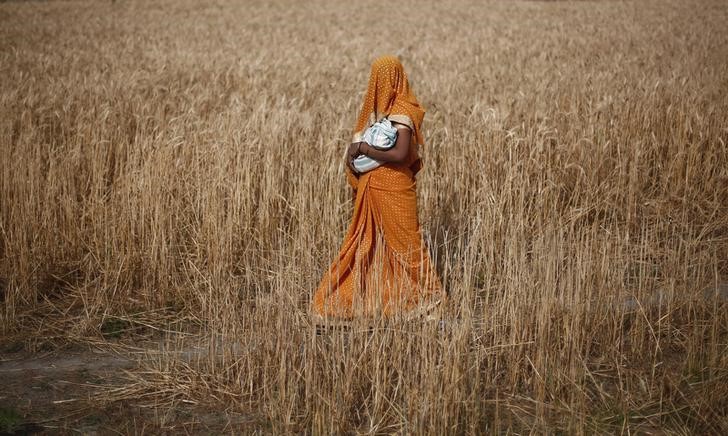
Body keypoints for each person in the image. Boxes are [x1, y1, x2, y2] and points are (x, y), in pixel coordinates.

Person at [311, 55, 444, 320]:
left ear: (393, 79)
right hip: (374, 187)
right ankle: (381, 296)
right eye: (375, 79)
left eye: (381, 79)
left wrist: (363, 148)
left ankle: (431, 298)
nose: (377, 85)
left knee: (408, 244)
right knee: (366, 242)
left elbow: (399, 154)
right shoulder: (382, 115)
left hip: (394, 189)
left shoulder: (403, 111)